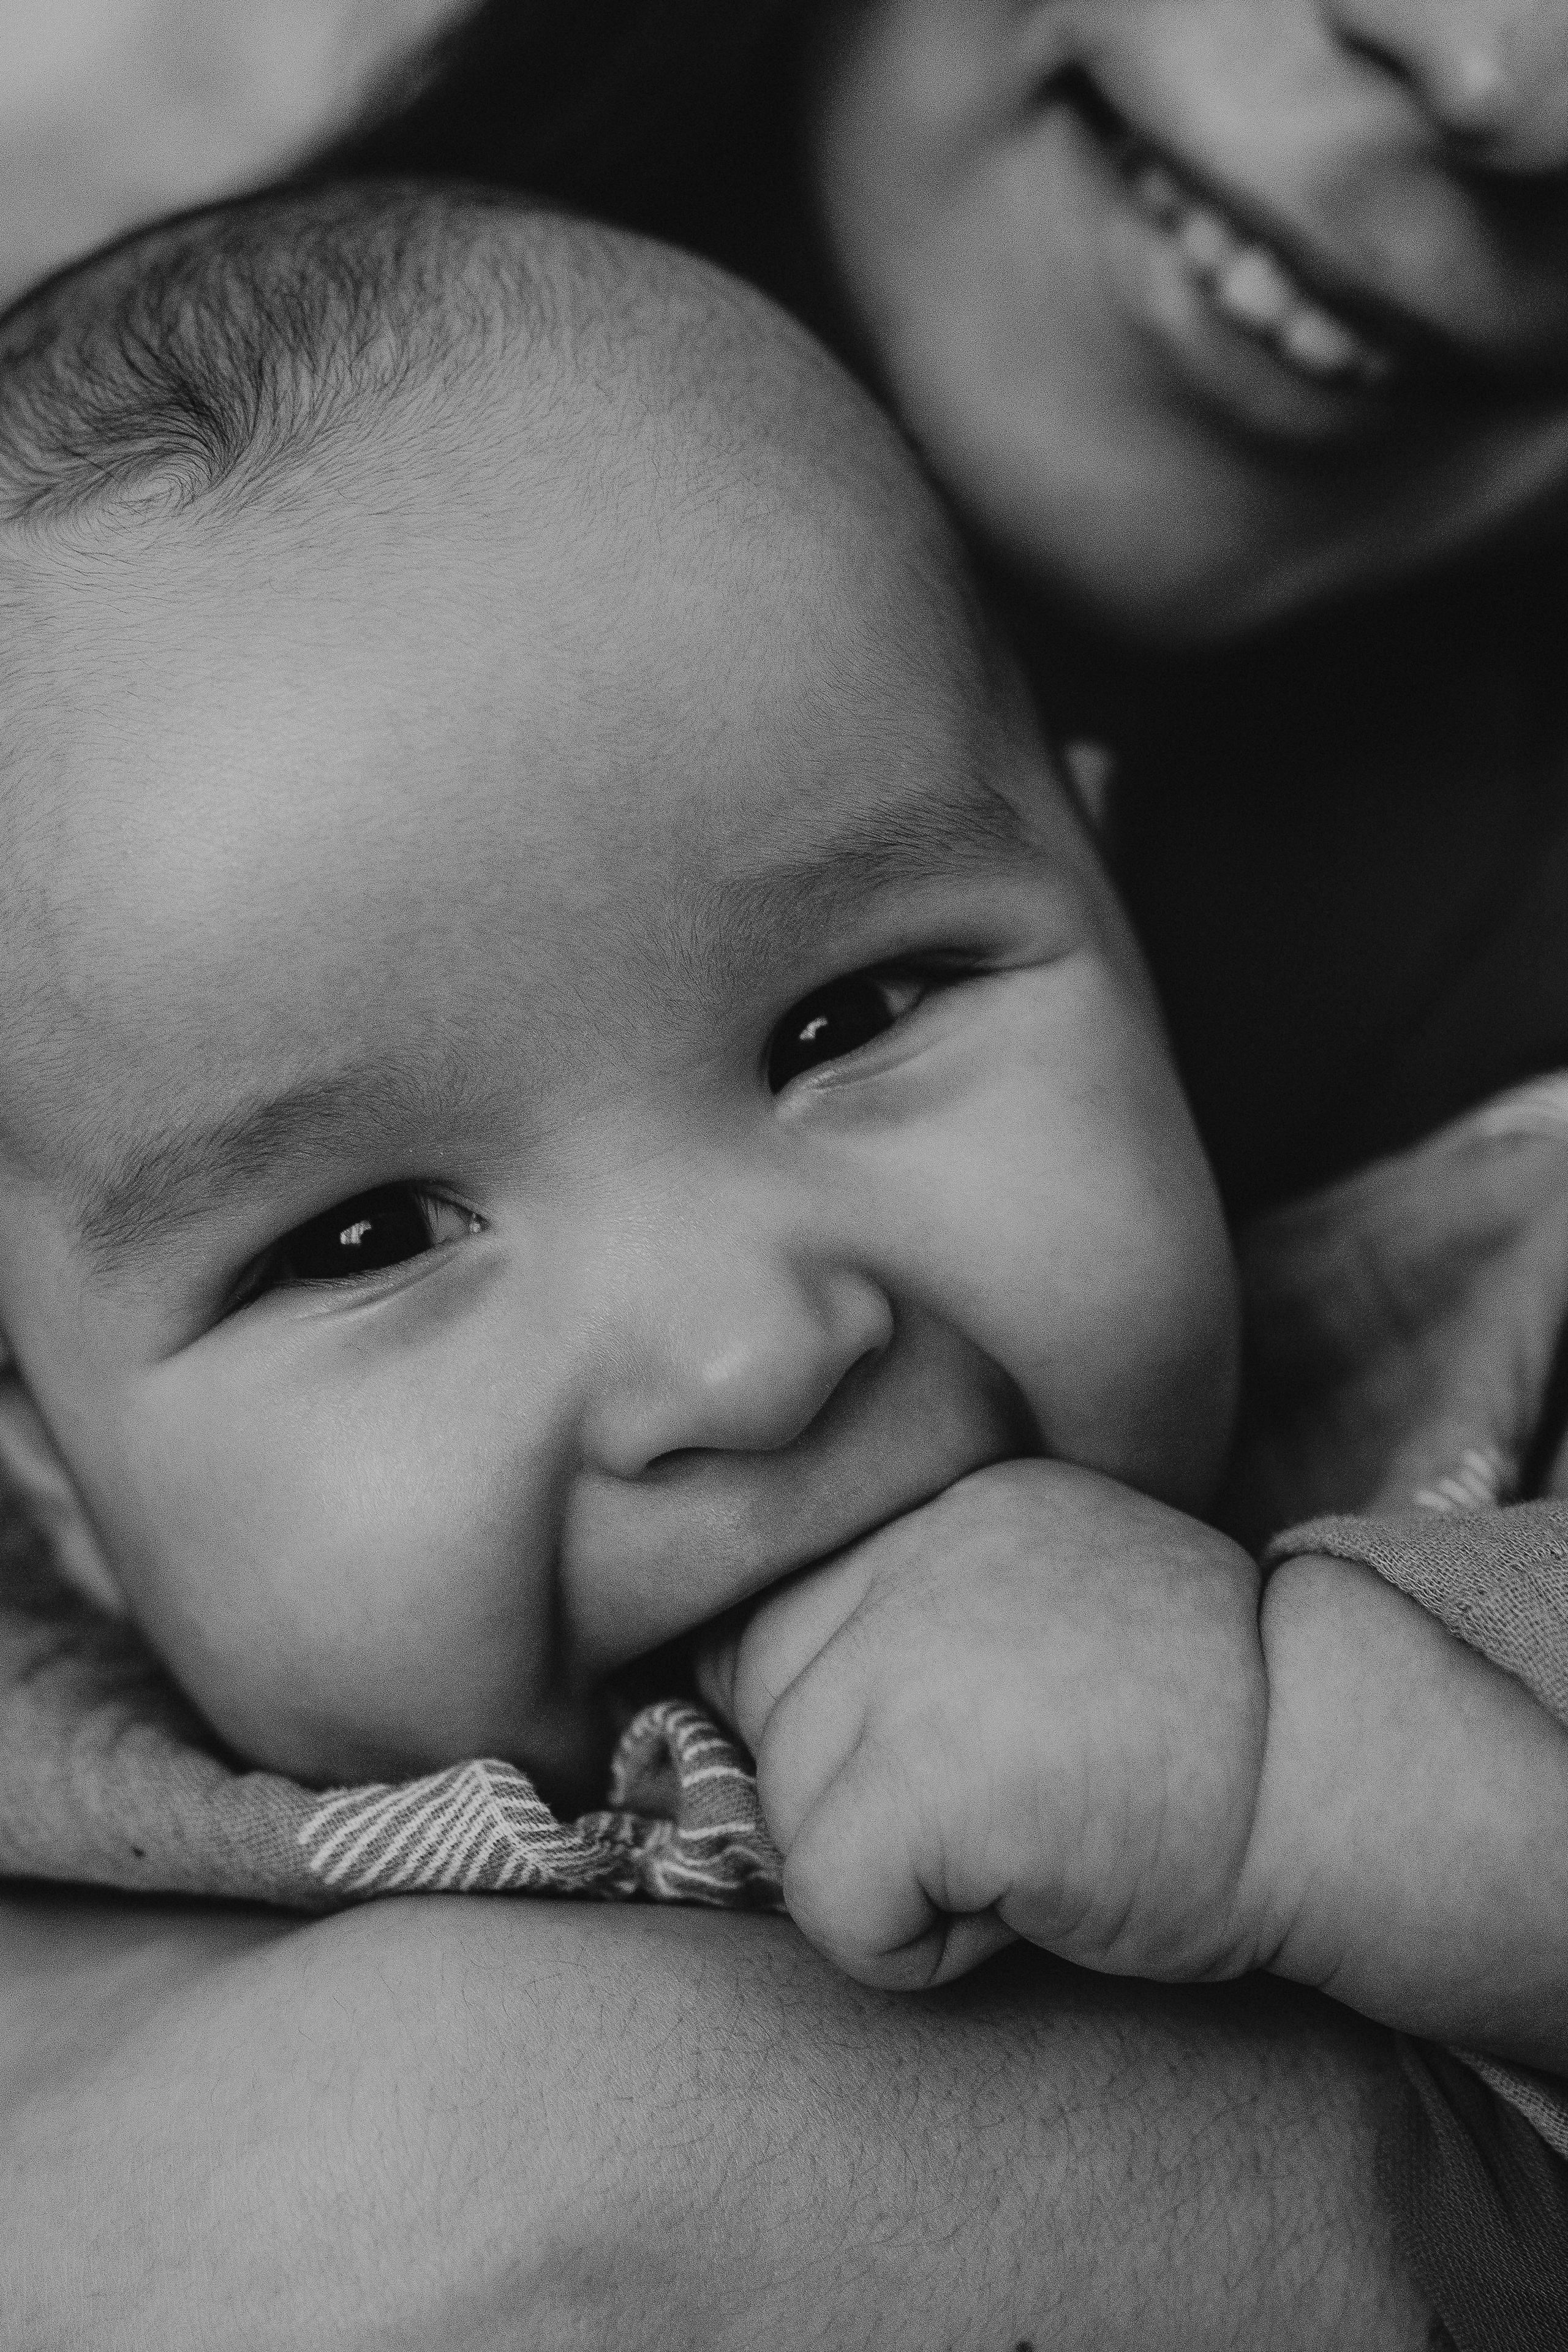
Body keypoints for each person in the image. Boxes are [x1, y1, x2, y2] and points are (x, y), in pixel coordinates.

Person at [6, 3, 1568, 2344]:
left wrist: (1313, 1770)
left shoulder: (1478, 1355)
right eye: (359, 1237)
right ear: (40, 1468)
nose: (746, 1355)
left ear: (1117, 898)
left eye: (850, 1022)